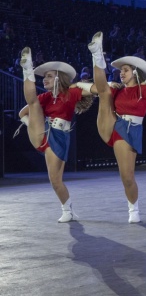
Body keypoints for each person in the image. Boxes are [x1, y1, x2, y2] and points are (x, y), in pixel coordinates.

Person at [80, 32, 146, 223]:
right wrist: (105, 84)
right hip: (115, 126)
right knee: (105, 91)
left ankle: (134, 207)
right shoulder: (116, 89)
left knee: (127, 176)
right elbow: (94, 86)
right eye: (121, 70)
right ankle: (97, 54)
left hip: (133, 130)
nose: (121, 73)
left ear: (135, 72)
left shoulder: (144, 89)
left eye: (126, 70)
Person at [17, 48, 93, 222]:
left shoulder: (70, 93)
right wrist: (34, 125)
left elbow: (94, 90)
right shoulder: (44, 97)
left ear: (59, 77)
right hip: (41, 133)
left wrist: (77, 85)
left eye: (49, 76)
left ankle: (68, 210)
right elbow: (23, 113)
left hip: (59, 137)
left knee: (55, 181)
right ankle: (27, 68)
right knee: (34, 102)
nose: (45, 79)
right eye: (44, 76)